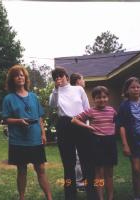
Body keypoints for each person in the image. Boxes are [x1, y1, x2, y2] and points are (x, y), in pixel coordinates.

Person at [2, 64, 52, 200]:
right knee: (22, 171)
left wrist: (43, 134)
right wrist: (18, 121)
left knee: (41, 169)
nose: (20, 77)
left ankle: (49, 197)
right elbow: (5, 119)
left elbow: (40, 117)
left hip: (35, 138)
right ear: (12, 79)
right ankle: (22, 197)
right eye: (16, 75)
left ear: (26, 78)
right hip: (18, 140)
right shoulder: (8, 99)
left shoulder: (34, 97)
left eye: (22, 75)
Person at [49, 67, 95, 200]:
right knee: (68, 164)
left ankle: (92, 193)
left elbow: (87, 108)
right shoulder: (55, 92)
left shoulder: (78, 89)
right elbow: (53, 105)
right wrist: (56, 89)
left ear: (67, 77)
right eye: (56, 77)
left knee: (87, 161)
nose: (59, 79)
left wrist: (87, 126)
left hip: (80, 123)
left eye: (61, 76)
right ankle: (70, 194)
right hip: (64, 125)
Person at [72, 86, 117, 200]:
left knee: (109, 174)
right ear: (94, 99)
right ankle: (100, 198)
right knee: (99, 174)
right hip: (97, 143)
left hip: (110, 142)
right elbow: (74, 120)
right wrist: (87, 126)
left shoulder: (112, 110)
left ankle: (110, 197)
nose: (102, 99)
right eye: (98, 97)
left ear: (108, 98)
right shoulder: (90, 111)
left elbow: (118, 121)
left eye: (104, 97)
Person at [117, 77, 140, 200]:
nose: (136, 89)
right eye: (132, 87)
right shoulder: (124, 106)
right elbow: (121, 126)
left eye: (138, 87)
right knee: (137, 169)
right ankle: (138, 196)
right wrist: (125, 144)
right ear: (127, 90)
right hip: (134, 142)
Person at [70, 72, 91, 191]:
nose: (84, 81)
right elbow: (87, 109)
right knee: (78, 155)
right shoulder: (79, 90)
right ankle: (79, 181)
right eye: (83, 79)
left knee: (79, 154)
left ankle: (84, 179)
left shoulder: (77, 91)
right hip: (80, 125)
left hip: (80, 125)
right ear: (78, 80)